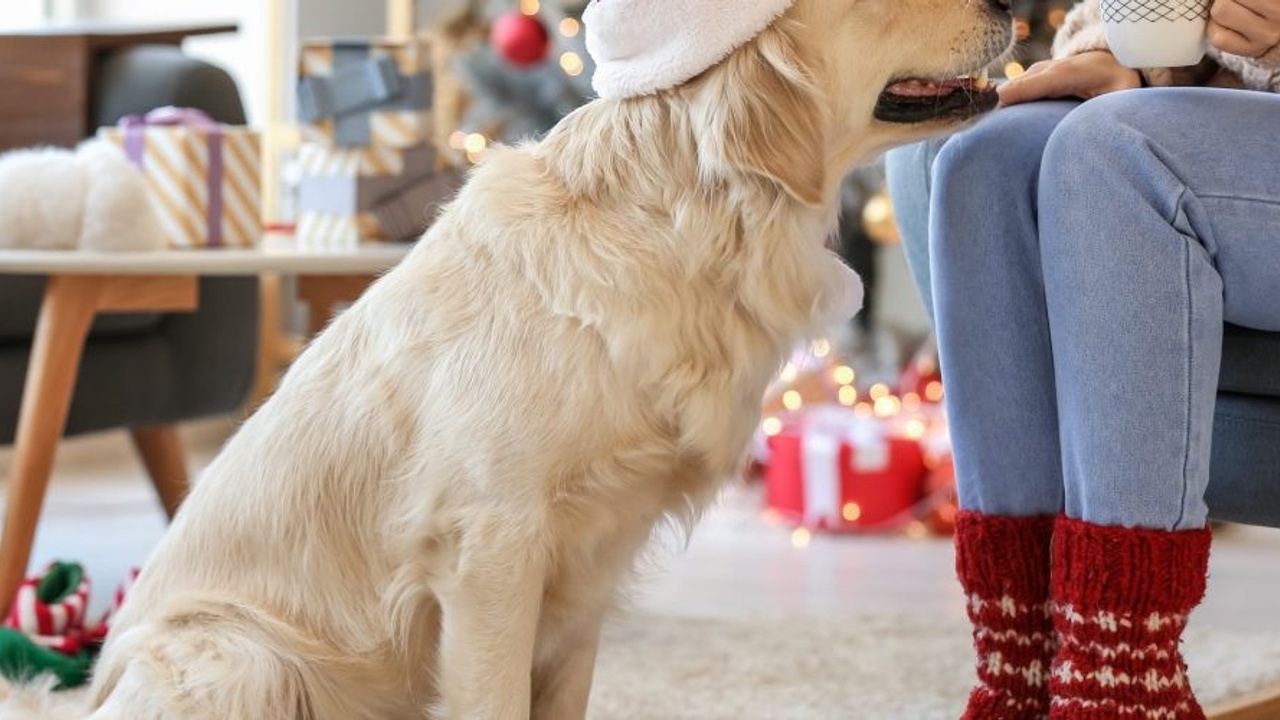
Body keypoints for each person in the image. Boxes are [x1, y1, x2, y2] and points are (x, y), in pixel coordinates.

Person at [883, 0, 1280, 717]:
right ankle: (1022, 677)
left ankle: (1122, 683)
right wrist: (1122, 47)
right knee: (986, 160)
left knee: (1119, 150)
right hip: (1199, 101)